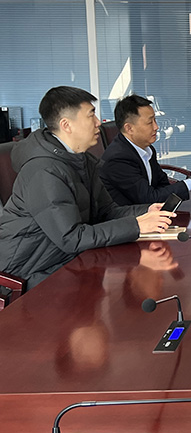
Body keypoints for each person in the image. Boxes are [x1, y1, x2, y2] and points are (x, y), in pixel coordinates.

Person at [0, 86, 174, 288]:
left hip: (65, 258)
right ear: (66, 125)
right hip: (26, 272)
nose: (98, 123)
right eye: (91, 115)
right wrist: (136, 226)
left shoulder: (83, 160)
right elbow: (71, 238)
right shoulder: (43, 171)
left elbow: (107, 212)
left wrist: (146, 211)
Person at [100, 94, 191, 206]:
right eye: (149, 122)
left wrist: (187, 187)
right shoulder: (118, 159)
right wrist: (188, 184)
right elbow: (148, 198)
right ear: (129, 128)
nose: (156, 127)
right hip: (133, 215)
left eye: (155, 120)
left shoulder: (146, 149)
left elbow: (162, 184)